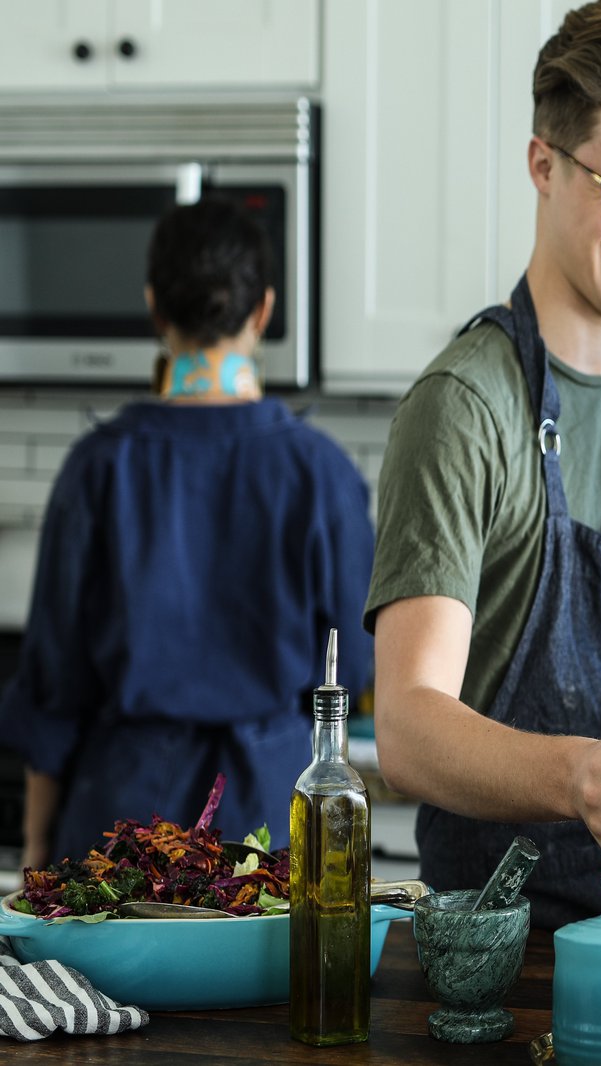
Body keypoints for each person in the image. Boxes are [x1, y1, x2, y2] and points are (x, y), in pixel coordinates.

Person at [364, 0, 601, 961]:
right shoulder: (464, 406)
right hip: (490, 963)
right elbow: (407, 725)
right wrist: (578, 777)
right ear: (543, 165)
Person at [0, 197, 375, 865]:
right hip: (269, 831)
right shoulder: (322, 475)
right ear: (263, 310)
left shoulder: (98, 468)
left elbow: (52, 692)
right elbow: (360, 666)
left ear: (155, 310)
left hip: (119, 833)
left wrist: (36, 850)